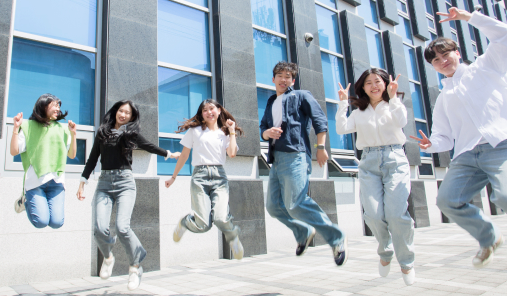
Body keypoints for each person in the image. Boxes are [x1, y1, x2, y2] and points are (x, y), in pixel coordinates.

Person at [411, 7, 507, 270]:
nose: (443, 61)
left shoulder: (486, 68)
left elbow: (503, 34)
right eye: (436, 60)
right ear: (432, 67)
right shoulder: (444, 98)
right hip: (467, 155)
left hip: (504, 145)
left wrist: (467, 17)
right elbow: (444, 136)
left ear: (457, 53)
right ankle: (489, 237)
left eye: (446, 54)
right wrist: (431, 145)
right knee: (447, 201)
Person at [76, 100, 181, 290]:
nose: (123, 115)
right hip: (104, 184)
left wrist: (168, 154)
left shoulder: (130, 134)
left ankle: (135, 267)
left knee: (122, 227)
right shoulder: (102, 132)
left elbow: (149, 146)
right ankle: (108, 258)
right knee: (100, 228)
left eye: (128, 113)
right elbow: (93, 158)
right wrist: (82, 182)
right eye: (121, 111)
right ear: (115, 112)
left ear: (132, 117)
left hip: (125, 183)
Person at [259, 61, 346, 265]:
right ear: (273, 79)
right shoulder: (272, 101)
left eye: (287, 76)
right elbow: (263, 127)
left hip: (295, 155)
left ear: (293, 80)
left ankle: (336, 237)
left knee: (296, 202)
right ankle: (303, 231)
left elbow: (320, 120)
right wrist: (267, 132)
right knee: (273, 206)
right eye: (279, 75)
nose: (283, 79)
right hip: (276, 159)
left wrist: (321, 148)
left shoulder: (301, 95)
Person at [335, 69, 416, 285]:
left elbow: (401, 122)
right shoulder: (359, 111)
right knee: (372, 213)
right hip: (369, 162)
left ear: (386, 84)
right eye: (368, 83)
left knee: (397, 214)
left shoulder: (393, 105)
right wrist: (343, 103)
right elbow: (341, 129)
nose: (373, 86)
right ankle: (385, 251)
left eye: (377, 81)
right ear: (362, 87)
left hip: (394, 158)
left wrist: (394, 96)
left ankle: (406, 262)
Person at [165, 99, 244, 260]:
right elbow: (185, 155)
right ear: (201, 114)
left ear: (219, 110)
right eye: (205, 110)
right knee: (203, 225)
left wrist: (232, 130)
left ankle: (233, 238)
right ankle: (186, 222)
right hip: (199, 177)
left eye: (212, 108)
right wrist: (173, 177)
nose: (209, 112)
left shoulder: (225, 133)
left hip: (219, 177)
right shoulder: (194, 131)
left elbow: (232, 154)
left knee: (221, 218)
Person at [9, 94, 77, 229]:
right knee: (41, 222)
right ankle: (26, 201)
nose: (58, 108)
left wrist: (73, 134)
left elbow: (72, 155)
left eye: (59, 106)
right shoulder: (29, 126)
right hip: (35, 183)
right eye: (55, 105)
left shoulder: (62, 128)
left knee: (57, 223)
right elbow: (14, 151)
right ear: (43, 105)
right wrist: (16, 129)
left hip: (56, 183)